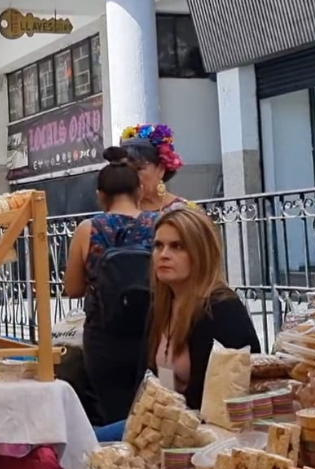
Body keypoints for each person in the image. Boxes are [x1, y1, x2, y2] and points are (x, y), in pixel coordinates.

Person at [63, 147, 158, 426]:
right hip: (154, 332)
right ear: (139, 190)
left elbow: (73, 289)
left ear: (100, 195)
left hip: (104, 337)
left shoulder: (87, 229)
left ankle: (117, 460)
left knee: (113, 412)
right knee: (154, 413)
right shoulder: (159, 224)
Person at [147, 207, 260, 409]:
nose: (163, 255)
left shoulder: (222, 310)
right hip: (163, 418)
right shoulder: (161, 305)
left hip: (209, 429)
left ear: (201, 253)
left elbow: (224, 401)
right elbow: (147, 380)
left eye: (177, 246)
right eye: (158, 245)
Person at [121, 123, 189, 212]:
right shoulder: (118, 213)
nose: (131, 176)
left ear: (160, 169)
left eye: (138, 169)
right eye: (126, 169)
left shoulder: (184, 212)